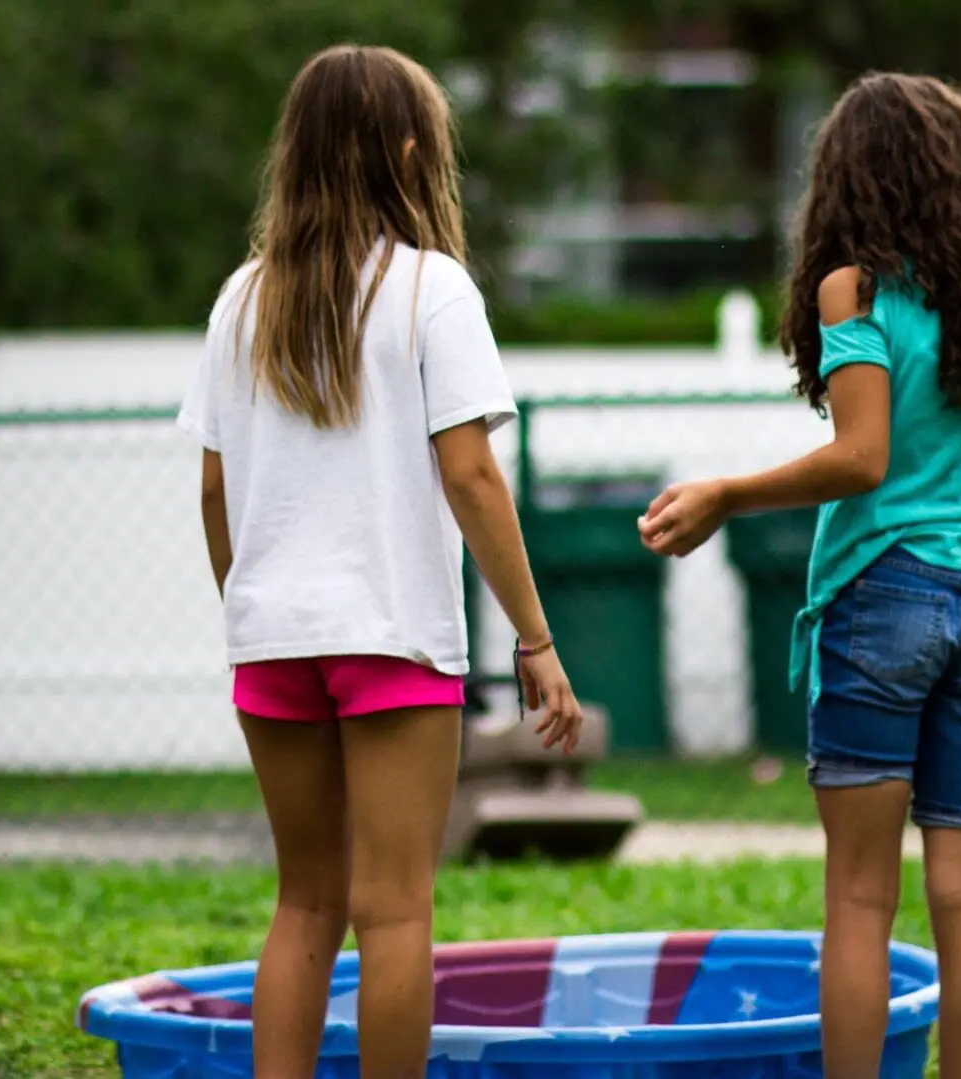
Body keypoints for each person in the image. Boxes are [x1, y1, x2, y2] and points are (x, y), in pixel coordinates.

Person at [637, 72, 961, 1079]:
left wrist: (725, 492)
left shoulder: (855, 290)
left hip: (884, 592)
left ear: (848, 185)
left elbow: (862, 459)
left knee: (859, 895)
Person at [178, 44, 584, 1079]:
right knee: (395, 908)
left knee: (303, 898)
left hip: (272, 641)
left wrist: (258, 605)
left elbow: (216, 490)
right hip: (392, 639)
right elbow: (474, 476)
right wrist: (534, 637)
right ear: (408, 151)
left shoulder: (239, 302)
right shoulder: (430, 292)